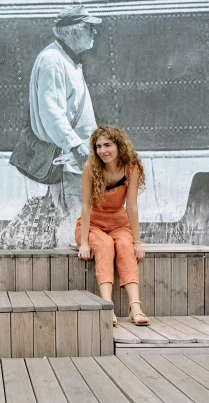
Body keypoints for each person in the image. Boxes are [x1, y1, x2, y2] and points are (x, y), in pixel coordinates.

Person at [0, 5, 100, 249]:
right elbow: (51, 112)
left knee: (80, 221)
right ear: (72, 32)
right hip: (70, 161)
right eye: (89, 28)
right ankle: (70, 283)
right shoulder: (53, 61)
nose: (94, 33)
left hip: (77, 162)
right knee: (73, 223)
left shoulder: (63, 59)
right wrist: (76, 146)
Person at [76, 125, 150, 326]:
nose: (103, 151)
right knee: (105, 245)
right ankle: (108, 306)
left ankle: (135, 307)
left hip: (119, 222)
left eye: (108, 145)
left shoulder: (131, 167)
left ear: (119, 146)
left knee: (125, 246)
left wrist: (137, 242)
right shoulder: (90, 167)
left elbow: (132, 206)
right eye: (98, 146)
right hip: (93, 224)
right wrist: (84, 243)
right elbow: (85, 206)